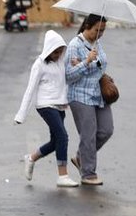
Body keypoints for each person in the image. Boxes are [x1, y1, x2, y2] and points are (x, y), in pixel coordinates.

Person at [15, 30, 78, 187]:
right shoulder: (39, 64)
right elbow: (30, 89)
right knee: (63, 136)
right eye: (55, 52)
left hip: (59, 105)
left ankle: (31, 158)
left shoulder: (61, 62)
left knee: (56, 141)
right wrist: (21, 115)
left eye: (60, 52)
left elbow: (68, 77)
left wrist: (77, 64)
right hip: (45, 105)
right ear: (48, 49)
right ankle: (62, 176)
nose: (57, 55)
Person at [65, 14, 112, 186]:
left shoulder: (96, 44)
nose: (100, 34)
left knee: (106, 130)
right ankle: (88, 174)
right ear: (87, 26)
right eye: (97, 30)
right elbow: (69, 76)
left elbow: (101, 65)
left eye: (103, 30)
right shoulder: (74, 45)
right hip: (80, 95)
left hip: (98, 94)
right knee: (88, 135)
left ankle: (81, 157)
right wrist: (86, 62)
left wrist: (93, 63)